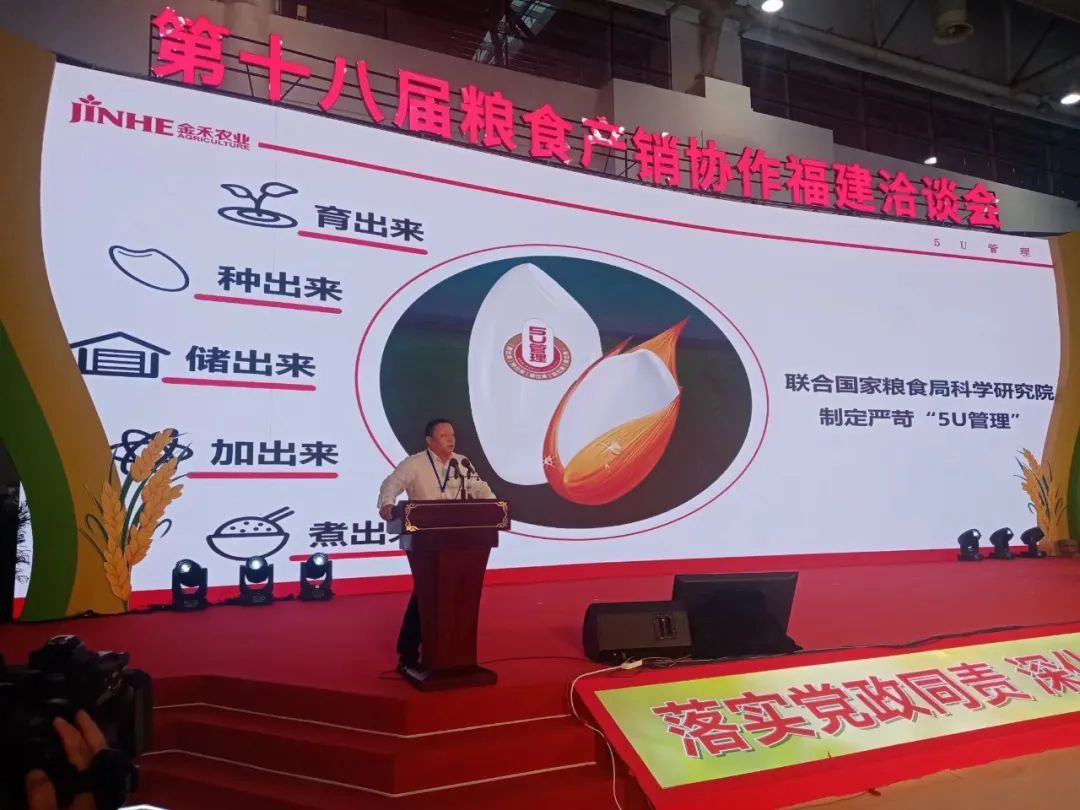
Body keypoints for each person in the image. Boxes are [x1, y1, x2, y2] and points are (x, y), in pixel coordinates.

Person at [377, 418, 495, 672]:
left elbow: (480, 488)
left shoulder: (461, 463)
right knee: (427, 593)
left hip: (459, 541)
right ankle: (409, 652)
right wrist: (387, 503)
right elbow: (391, 484)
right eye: (443, 436)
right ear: (429, 441)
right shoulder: (415, 463)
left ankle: (451, 654)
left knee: (437, 594)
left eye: (452, 435)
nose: (450, 440)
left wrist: (493, 507)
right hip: (425, 541)